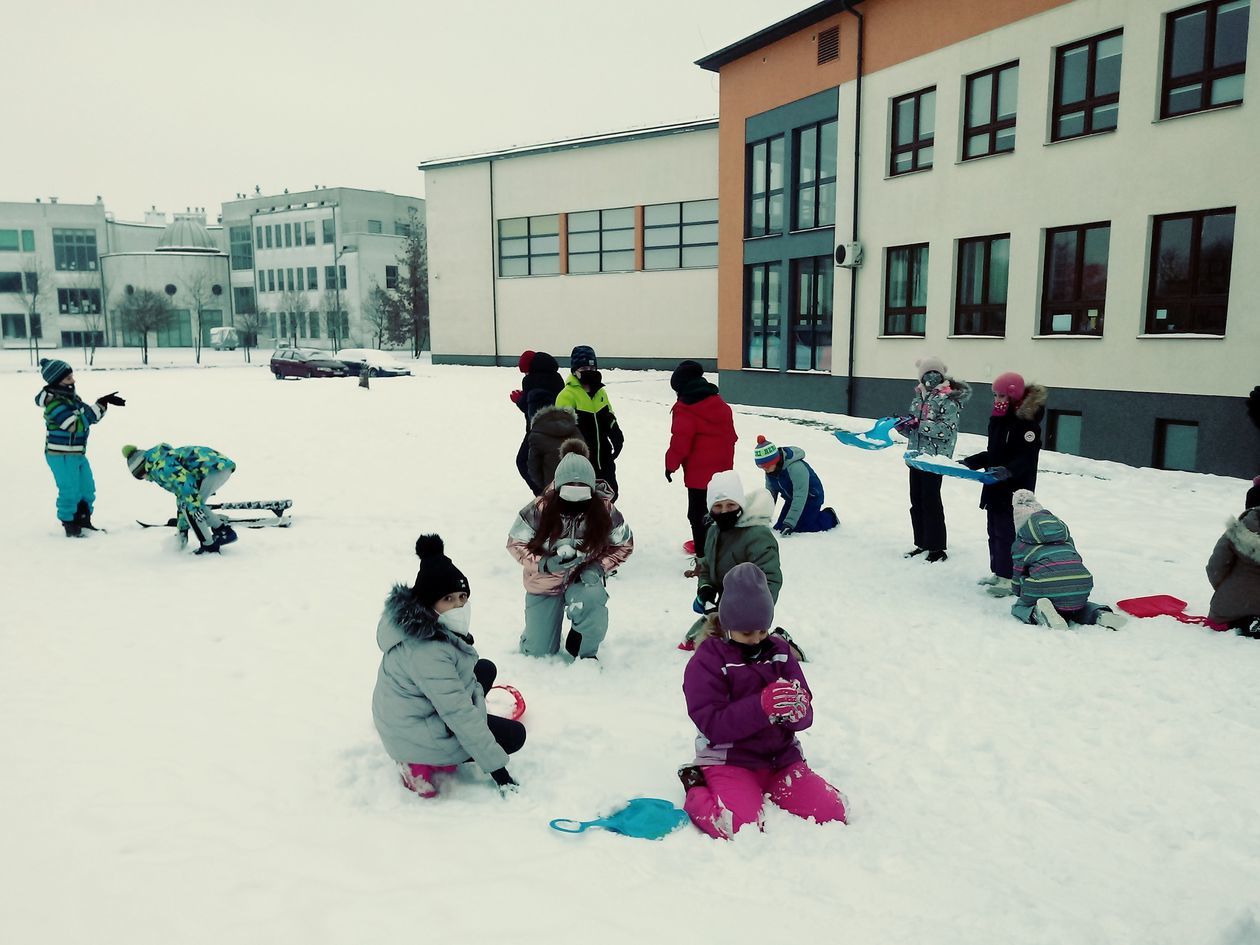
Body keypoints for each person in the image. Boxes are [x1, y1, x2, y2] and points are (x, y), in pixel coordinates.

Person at [679, 562, 847, 839]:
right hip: (730, 760)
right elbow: (712, 724)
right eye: (747, 633)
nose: (756, 639)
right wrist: (762, 707)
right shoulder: (708, 661)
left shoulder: (780, 651)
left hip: (780, 760)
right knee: (738, 826)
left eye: (762, 631)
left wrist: (798, 710)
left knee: (833, 812)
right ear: (728, 625)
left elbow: (805, 712)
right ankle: (696, 788)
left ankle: (774, 787)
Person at [373, 534, 526, 798]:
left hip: (407, 713)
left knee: (485, 668)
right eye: (448, 599)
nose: (458, 605)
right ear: (429, 603)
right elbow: (459, 715)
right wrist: (499, 772)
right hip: (415, 735)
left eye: (462, 597)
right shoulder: (427, 652)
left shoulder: (419, 625)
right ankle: (415, 764)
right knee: (514, 736)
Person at [506, 450, 633, 660]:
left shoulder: (605, 510)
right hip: (544, 583)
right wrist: (544, 563)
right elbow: (515, 543)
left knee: (592, 599)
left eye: (581, 494)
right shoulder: (538, 509)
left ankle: (584, 646)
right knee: (538, 652)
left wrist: (598, 567)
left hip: (583, 580)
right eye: (568, 493)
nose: (575, 501)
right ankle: (538, 634)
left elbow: (624, 544)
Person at [960, 371, 1047, 596]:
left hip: (1013, 488)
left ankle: (1010, 578)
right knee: (994, 531)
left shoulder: (1027, 425)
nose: (997, 400)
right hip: (994, 484)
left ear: (1013, 397)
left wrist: (1008, 471)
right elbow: (994, 452)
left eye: (1001, 396)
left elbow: (1026, 458)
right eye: (995, 395)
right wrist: (972, 461)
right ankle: (999, 572)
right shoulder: (999, 420)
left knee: (1007, 533)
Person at [679, 469, 782, 650]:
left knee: (745, 651)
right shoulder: (714, 530)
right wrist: (706, 588)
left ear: (740, 505)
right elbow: (707, 566)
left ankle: (783, 642)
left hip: (750, 613)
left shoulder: (757, 535)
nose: (724, 511)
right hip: (725, 605)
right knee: (696, 644)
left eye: (730, 505)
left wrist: (753, 617)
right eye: (718, 507)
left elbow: (770, 579)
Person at [1008, 490, 1126, 630]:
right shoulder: (1065, 539)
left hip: (1042, 585)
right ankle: (1099, 614)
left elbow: (1017, 572)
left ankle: (1037, 613)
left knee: (1019, 606)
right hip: (1082, 582)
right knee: (1076, 607)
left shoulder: (1021, 545)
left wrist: (1019, 591)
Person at [34, 358, 125, 536]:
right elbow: (75, 425)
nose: (73, 381)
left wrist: (102, 403)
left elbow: (91, 417)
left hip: (77, 453)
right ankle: (70, 523)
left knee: (87, 488)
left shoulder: (72, 400)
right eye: (68, 378)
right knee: (69, 490)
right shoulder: (55, 405)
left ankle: (84, 520)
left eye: (72, 377)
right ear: (56, 381)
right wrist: (94, 409)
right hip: (60, 455)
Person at [897, 355, 971, 562]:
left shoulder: (948, 399)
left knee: (931, 502)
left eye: (935, 373)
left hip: (935, 459)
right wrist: (903, 427)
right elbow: (914, 430)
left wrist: (918, 425)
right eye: (927, 373)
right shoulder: (919, 396)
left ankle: (937, 548)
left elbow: (947, 430)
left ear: (941, 375)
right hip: (916, 457)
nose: (931, 377)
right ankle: (921, 542)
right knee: (917, 502)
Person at [664, 360, 737, 556]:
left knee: (697, 515)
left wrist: (670, 465)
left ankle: (703, 556)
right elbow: (731, 436)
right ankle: (722, 547)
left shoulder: (685, 407)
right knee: (721, 510)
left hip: (699, 474)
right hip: (723, 471)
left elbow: (680, 442)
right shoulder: (718, 401)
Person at [123, 443, 238, 555]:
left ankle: (210, 546)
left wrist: (192, 508)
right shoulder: (162, 460)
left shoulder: (160, 467)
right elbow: (182, 495)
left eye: (141, 476)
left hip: (213, 470)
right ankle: (223, 531)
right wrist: (182, 530)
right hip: (215, 467)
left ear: (142, 468)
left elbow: (186, 484)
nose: (145, 479)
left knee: (192, 507)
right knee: (189, 504)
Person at [555, 345, 624, 499]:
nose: (590, 372)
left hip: (604, 457)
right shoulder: (567, 395)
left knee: (611, 494)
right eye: (585, 368)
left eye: (593, 368)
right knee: (587, 500)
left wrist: (616, 435)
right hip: (582, 462)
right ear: (575, 370)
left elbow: (609, 415)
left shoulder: (600, 392)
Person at [752, 436, 838, 535]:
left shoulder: (796, 468)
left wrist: (790, 522)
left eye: (766, 466)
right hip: (791, 498)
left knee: (800, 528)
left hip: (811, 497)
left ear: (775, 460)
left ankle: (830, 516)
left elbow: (800, 496)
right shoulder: (770, 471)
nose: (765, 469)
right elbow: (770, 496)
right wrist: (762, 519)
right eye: (761, 467)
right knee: (780, 527)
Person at [1206, 478, 1260, 638]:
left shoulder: (1236, 532)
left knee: (1228, 615)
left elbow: (1215, 568)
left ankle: (1245, 620)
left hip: (1230, 608)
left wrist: (1226, 589)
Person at [511, 350, 565, 494]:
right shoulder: (556, 377)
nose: (524, 375)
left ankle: (544, 495)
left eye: (525, 372)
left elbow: (533, 411)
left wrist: (519, 400)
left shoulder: (532, 381)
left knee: (523, 462)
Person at [528, 405, 583, 492]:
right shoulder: (575, 430)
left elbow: (533, 467)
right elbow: (585, 456)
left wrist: (545, 485)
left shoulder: (536, 435)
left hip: (553, 488)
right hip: (580, 485)